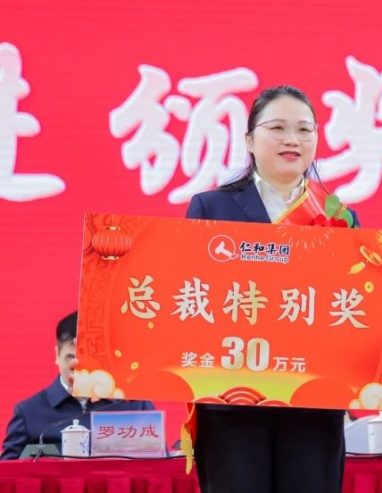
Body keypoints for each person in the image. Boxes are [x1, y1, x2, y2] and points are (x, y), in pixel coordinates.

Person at [185, 85, 354, 493]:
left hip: (314, 405)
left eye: (304, 129)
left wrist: (380, 354)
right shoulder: (211, 208)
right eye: (277, 128)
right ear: (249, 140)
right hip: (232, 403)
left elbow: (352, 306)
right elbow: (190, 298)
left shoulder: (340, 217)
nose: (292, 139)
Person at [1, 312, 154, 459]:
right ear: (57, 355)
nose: (77, 367)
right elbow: (8, 471)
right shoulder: (29, 412)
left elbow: (158, 468)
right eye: (70, 358)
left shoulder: (136, 406)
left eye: (87, 359)